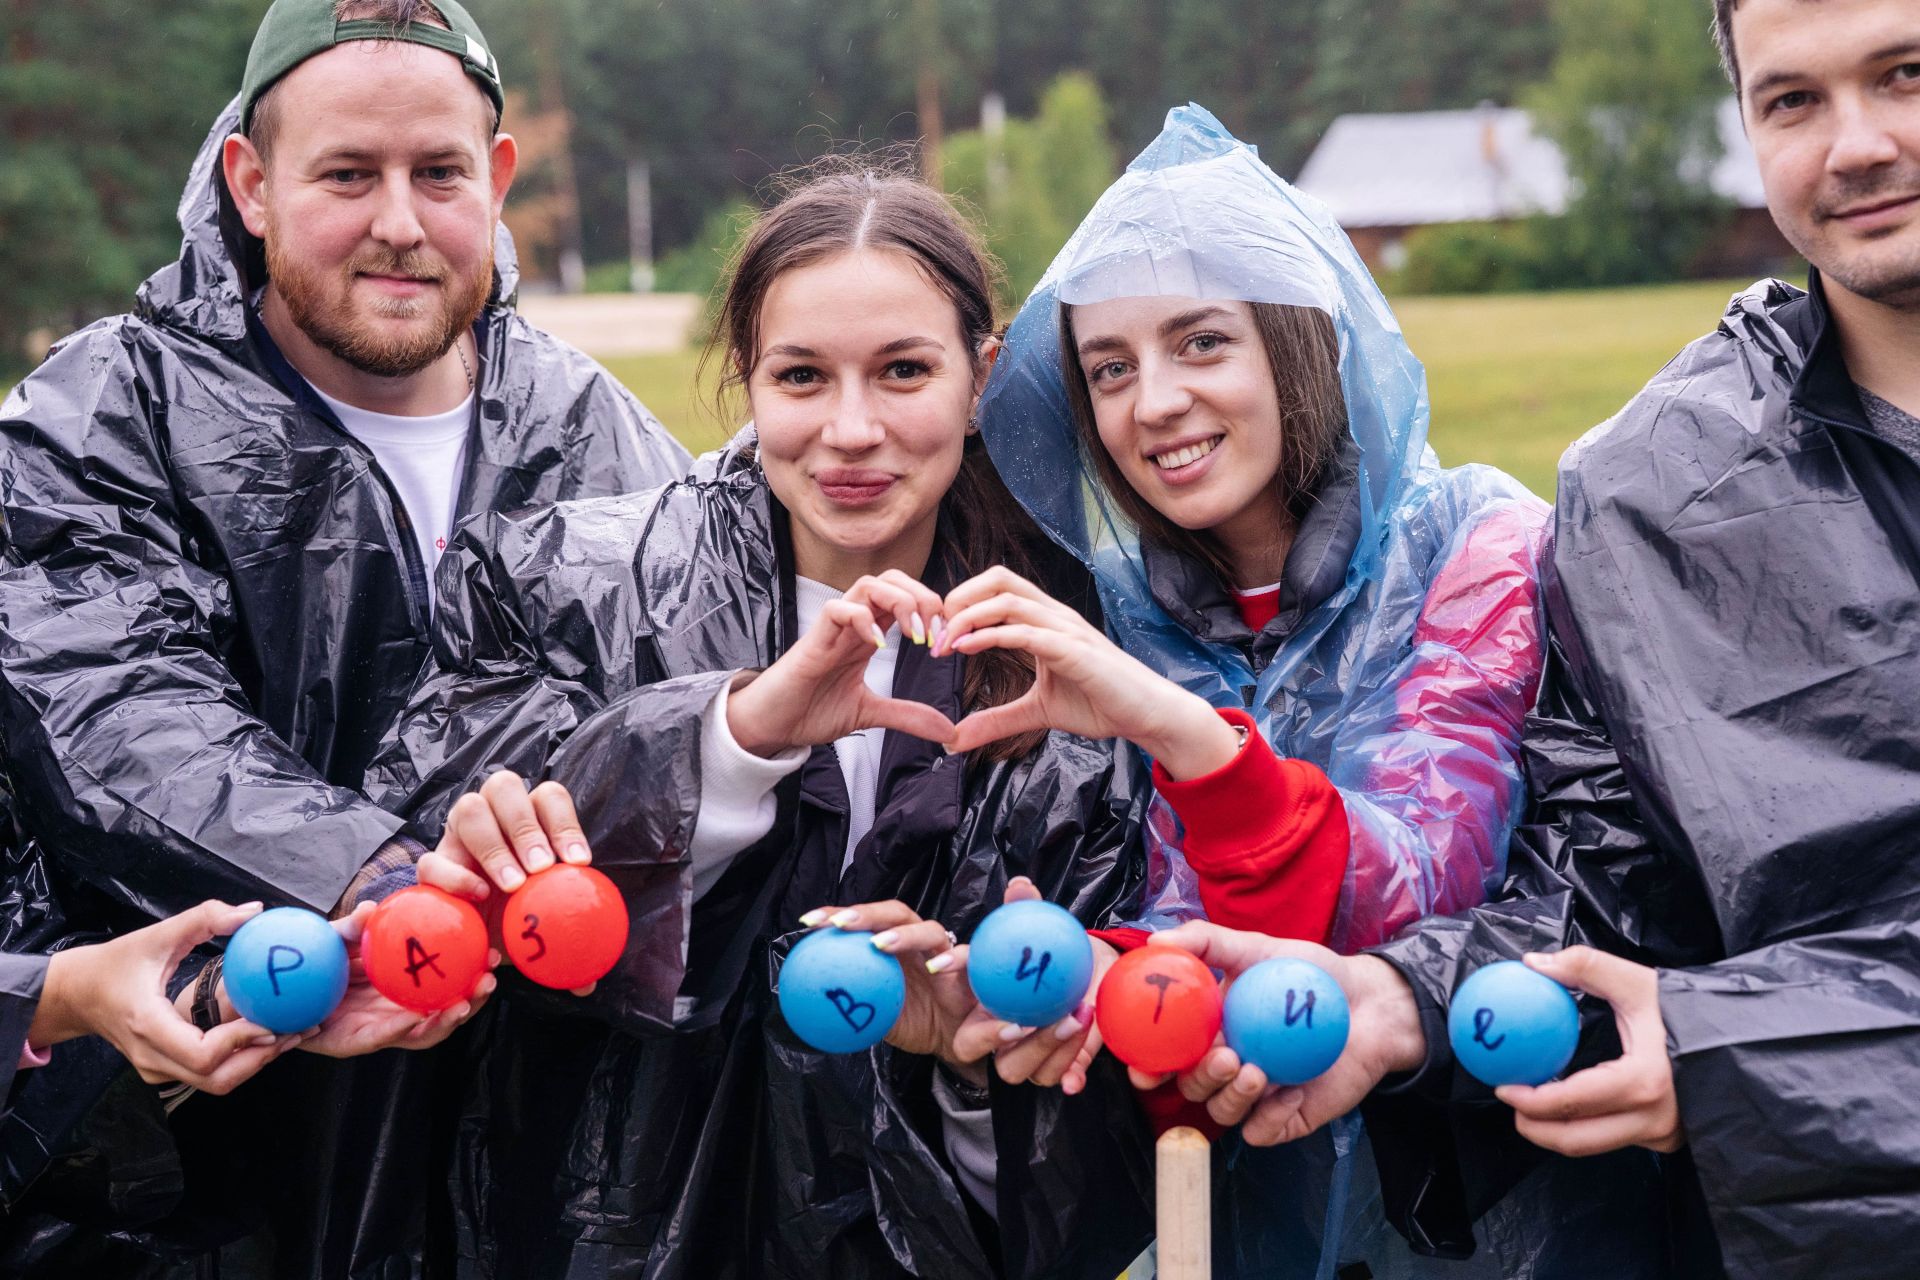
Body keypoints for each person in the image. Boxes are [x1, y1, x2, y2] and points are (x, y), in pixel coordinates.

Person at [1147, 1, 1920, 1275]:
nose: (1856, 145)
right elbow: (1602, 872)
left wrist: (1746, 1055)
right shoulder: (1655, 491)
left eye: (1903, 75)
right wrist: (1409, 997)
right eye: (1793, 100)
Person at [366, 165, 1153, 1278]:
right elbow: (448, 882)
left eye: (903, 371)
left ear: (979, 377)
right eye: (801, 375)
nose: (850, 429)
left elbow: (1087, 1147)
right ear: (746, 378)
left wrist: (982, 1058)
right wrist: (736, 738)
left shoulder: (1071, 658)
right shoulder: (556, 586)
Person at [0, 0, 686, 1272]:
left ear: (495, 178)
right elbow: (115, 712)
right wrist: (379, 884)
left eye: (437, 174)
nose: (398, 222)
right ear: (250, 184)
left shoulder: (602, 434)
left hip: (537, 1186)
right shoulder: (111, 411)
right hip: (199, 1187)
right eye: (346, 175)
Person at [957, 105, 1550, 1277]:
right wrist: (1078, 969)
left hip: (1481, 1206)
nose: (1155, 403)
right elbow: (1163, 916)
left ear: (1300, 343)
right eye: (1110, 368)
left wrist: (1178, 731)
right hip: (1225, 1211)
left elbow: (1422, 888)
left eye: (1201, 343)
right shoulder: (1105, 613)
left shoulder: (1477, 545)